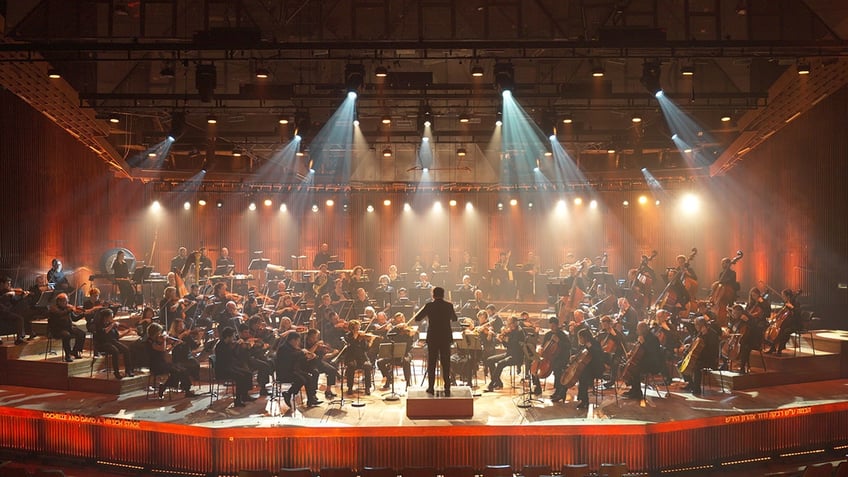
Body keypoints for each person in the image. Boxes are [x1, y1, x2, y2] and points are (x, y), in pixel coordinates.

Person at [413, 286, 458, 396]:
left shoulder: (429, 305)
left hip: (433, 337)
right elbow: (455, 319)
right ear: (443, 295)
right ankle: (447, 388)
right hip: (445, 337)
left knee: (432, 363)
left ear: (433, 294)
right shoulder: (449, 305)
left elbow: (417, 318)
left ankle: (431, 388)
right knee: (446, 363)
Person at [275, 331, 323, 408]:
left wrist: (309, 356)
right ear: (292, 340)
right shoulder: (283, 348)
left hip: (293, 370)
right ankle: (288, 393)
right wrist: (302, 353)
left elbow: (298, 358)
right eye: (297, 341)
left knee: (308, 377)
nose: (298, 343)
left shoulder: (292, 347)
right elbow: (291, 357)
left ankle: (310, 400)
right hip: (285, 373)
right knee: (302, 379)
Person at [147, 322, 195, 398]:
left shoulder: (157, 341)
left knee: (181, 369)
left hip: (162, 363)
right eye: (159, 332)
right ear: (155, 332)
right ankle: (182, 389)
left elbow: (165, 352)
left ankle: (184, 389)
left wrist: (174, 345)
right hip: (156, 365)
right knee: (178, 370)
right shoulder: (150, 342)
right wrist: (164, 340)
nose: (160, 334)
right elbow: (162, 349)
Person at [533, 316, 571, 402]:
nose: (552, 328)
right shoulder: (548, 334)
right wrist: (541, 349)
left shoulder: (562, 335)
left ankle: (559, 392)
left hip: (561, 358)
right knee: (534, 367)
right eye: (551, 326)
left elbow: (568, 346)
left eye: (553, 326)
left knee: (557, 370)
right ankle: (537, 388)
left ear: (557, 325)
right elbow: (543, 345)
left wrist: (559, 342)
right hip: (549, 357)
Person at [213, 327, 254, 407]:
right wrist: (236, 346)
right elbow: (226, 358)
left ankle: (245, 395)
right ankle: (238, 400)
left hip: (230, 367)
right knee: (240, 376)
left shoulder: (228, 344)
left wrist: (238, 346)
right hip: (223, 370)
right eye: (232, 336)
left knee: (248, 373)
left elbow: (234, 355)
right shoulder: (220, 346)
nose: (233, 338)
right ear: (228, 337)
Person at [623, 322, 664, 400]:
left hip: (653, 363)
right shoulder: (643, 336)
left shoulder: (652, 338)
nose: (636, 331)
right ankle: (634, 389)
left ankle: (637, 392)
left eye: (638, 329)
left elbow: (651, 352)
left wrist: (643, 343)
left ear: (643, 330)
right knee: (631, 365)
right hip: (645, 361)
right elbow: (639, 349)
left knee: (635, 368)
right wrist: (631, 353)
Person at [485, 315, 524, 392]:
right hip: (509, 354)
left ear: (515, 323)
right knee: (489, 360)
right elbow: (506, 345)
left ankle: (492, 383)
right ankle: (498, 382)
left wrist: (504, 339)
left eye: (509, 324)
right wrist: (502, 338)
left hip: (516, 356)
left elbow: (514, 345)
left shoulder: (519, 332)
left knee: (500, 363)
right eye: (507, 323)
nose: (507, 325)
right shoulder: (511, 331)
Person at [93, 308, 134, 379]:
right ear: (105, 317)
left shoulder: (111, 325)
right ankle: (116, 372)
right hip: (103, 344)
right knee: (115, 351)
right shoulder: (98, 325)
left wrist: (127, 332)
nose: (112, 318)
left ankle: (128, 370)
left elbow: (117, 336)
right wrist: (112, 325)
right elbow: (104, 332)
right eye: (111, 317)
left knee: (126, 349)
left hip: (113, 342)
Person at [682, 316, 719, 396]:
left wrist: (704, 336)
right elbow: (695, 344)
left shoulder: (712, 334)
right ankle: (690, 383)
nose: (695, 327)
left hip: (709, 359)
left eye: (696, 325)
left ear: (702, 325)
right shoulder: (699, 333)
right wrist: (690, 346)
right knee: (681, 364)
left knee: (696, 366)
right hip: (700, 357)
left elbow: (712, 350)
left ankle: (697, 389)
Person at [47, 293, 86, 361]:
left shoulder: (67, 308)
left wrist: (83, 314)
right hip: (57, 330)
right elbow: (60, 314)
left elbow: (74, 318)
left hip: (68, 328)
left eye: (67, 301)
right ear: (59, 301)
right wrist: (69, 310)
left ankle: (75, 351)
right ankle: (67, 355)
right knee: (66, 335)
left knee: (81, 333)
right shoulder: (53, 308)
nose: (67, 302)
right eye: (65, 301)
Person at [574, 328, 605, 409]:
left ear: (585, 337)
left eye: (580, 338)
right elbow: (581, 354)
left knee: (582, 376)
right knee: (581, 375)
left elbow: (599, 355)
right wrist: (575, 356)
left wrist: (590, 347)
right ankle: (583, 399)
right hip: (587, 368)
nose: (579, 340)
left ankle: (584, 400)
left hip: (596, 368)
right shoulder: (583, 345)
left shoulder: (594, 343)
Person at [342, 319, 374, 395]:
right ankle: (350, 387)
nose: (359, 329)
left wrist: (368, 341)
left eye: (359, 327)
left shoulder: (362, 336)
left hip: (362, 357)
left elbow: (366, 349)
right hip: (351, 357)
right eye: (357, 328)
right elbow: (350, 346)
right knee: (351, 366)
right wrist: (356, 337)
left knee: (367, 366)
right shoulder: (347, 336)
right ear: (352, 328)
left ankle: (367, 388)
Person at [767, 289, 801, 355]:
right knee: (781, 329)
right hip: (787, 324)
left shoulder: (796, 303)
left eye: (784, 296)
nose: (783, 298)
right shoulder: (786, 303)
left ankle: (779, 349)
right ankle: (774, 347)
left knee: (784, 331)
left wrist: (792, 307)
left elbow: (798, 314)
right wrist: (777, 316)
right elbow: (783, 313)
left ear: (788, 296)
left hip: (795, 324)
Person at [0, 276, 29, 344]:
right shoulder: (6, 294)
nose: (10, 286)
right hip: (1, 312)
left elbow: (14, 302)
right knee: (19, 318)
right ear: (1, 284)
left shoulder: (9, 293)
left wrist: (22, 297)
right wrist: (6, 295)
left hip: (6, 312)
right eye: (8, 284)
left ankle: (20, 338)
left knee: (21, 316)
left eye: (10, 284)